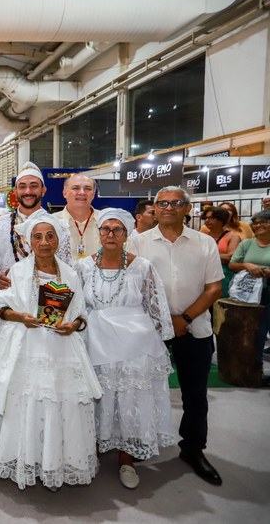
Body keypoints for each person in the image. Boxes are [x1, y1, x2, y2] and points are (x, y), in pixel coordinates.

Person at [0, 210, 101, 491]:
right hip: (24, 347)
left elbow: (82, 314)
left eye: (49, 236)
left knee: (58, 403)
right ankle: (23, 459)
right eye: (37, 237)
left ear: (57, 240)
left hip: (61, 349)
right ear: (29, 241)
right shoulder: (17, 272)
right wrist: (21, 317)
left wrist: (73, 325)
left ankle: (53, 462)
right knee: (25, 403)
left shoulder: (69, 273)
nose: (44, 242)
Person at [127, 186, 224, 486]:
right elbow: (130, 287)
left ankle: (193, 449)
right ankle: (140, 444)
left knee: (195, 395)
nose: (168, 207)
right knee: (141, 390)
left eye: (176, 203)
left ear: (187, 209)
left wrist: (183, 318)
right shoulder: (137, 242)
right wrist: (162, 319)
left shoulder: (205, 243)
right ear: (154, 209)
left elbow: (214, 289)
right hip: (149, 329)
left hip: (193, 327)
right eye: (162, 203)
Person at [76, 208, 175, 489]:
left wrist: (161, 337)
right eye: (105, 229)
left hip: (133, 344)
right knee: (97, 396)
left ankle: (127, 458)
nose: (110, 235)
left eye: (117, 230)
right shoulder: (83, 266)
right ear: (99, 232)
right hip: (95, 341)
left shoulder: (142, 266)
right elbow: (74, 303)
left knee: (131, 399)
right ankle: (93, 448)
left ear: (127, 234)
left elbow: (155, 304)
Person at [0, 163, 72, 290]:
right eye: (22, 186)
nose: (28, 191)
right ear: (15, 191)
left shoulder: (59, 226)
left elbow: (67, 267)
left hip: (46, 298)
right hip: (8, 298)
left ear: (43, 190)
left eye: (34, 186)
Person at [228, 210, 270, 360]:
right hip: (248, 291)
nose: (258, 225)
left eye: (263, 222)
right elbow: (233, 265)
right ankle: (253, 370)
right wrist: (247, 265)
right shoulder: (247, 243)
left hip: (268, 290)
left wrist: (263, 271)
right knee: (252, 332)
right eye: (256, 222)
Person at [52, 173, 101, 261]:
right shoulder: (51, 222)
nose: (82, 192)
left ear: (93, 195)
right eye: (75, 188)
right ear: (64, 193)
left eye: (87, 189)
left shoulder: (105, 222)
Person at [201, 207, 241, 294]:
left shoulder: (232, 236)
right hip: (202, 275)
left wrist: (204, 257)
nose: (207, 220)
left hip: (224, 276)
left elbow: (230, 257)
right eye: (206, 218)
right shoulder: (200, 236)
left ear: (222, 220)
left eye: (211, 218)